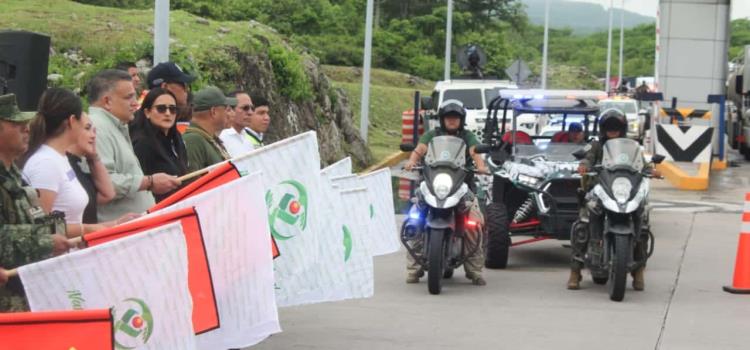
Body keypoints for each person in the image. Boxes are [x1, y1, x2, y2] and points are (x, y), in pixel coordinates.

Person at [568, 109, 661, 291]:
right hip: (600, 189)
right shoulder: (595, 146)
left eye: (616, 127)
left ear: (622, 128)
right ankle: (575, 272)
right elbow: (587, 158)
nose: (612, 130)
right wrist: (583, 166)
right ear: (603, 129)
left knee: (642, 226)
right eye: (609, 127)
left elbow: (642, 163)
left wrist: (651, 170)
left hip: (625, 189)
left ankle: (638, 271)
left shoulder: (632, 146)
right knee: (583, 223)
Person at [403, 100, 489, 286]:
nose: (452, 121)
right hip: (433, 182)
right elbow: (419, 150)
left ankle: (474, 271)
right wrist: (411, 161)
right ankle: (413, 269)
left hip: (461, 184)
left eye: (455, 118)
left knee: (475, 223)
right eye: (448, 117)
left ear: (461, 120)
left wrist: (481, 166)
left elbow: (475, 152)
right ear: (442, 119)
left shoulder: (467, 136)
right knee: (415, 219)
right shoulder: (431, 135)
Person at [0, 93, 72, 312]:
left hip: (26, 293)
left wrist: (101, 231)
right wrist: (46, 242)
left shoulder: (14, 174)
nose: (26, 129)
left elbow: (36, 221)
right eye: (17, 124)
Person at [87, 69, 180, 222]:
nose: (135, 103)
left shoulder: (115, 126)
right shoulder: (97, 128)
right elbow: (104, 183)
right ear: (107, 101)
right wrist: (149, 182)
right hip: (118, 233)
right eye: (129, 97)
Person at [20, 88, 110, 237]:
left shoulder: (59, 157)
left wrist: (114, 224)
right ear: (72, 121)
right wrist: (87, 229)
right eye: (85, 124)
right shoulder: (45, 163)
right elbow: (41, 226)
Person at [131, 88, 189, 202]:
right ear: (147, 112)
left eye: (173, 109)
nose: (168, 113)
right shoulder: (142, 143)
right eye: (161, 109)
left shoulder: (177, 139)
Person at [66, 114, 117, 225]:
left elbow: (108, 194)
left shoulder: (76, 165)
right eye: (87, 128)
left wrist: (93, 156)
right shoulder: (62, 163)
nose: (93, 136)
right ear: (72, 127)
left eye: (94, 131)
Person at [183, 86, 232, 173]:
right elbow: (193, 182)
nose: (228, 113)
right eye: (226, 109)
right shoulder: (193, 140)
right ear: (214, 111)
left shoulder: (209, 139)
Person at [219, 91, 255, 158]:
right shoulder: (222, 138)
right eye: (245, 108)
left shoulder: (247, 137)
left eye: (252, 108)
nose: (250, 112)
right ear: (229, 109)